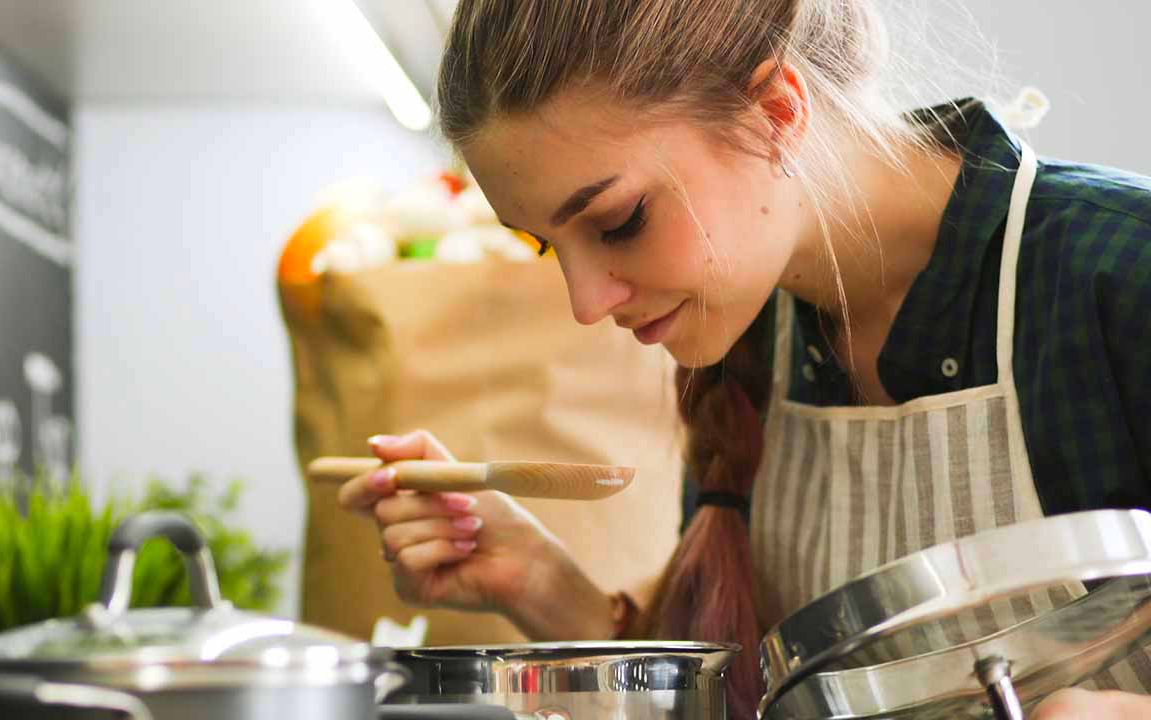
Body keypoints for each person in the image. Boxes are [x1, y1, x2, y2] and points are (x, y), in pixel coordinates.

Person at [335, 1, 1151, 717]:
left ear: (776, 111)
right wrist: (542, 587)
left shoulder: (1118, 274)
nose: (587, 304)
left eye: (618, 221)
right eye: (548, 244)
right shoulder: (749, 337)